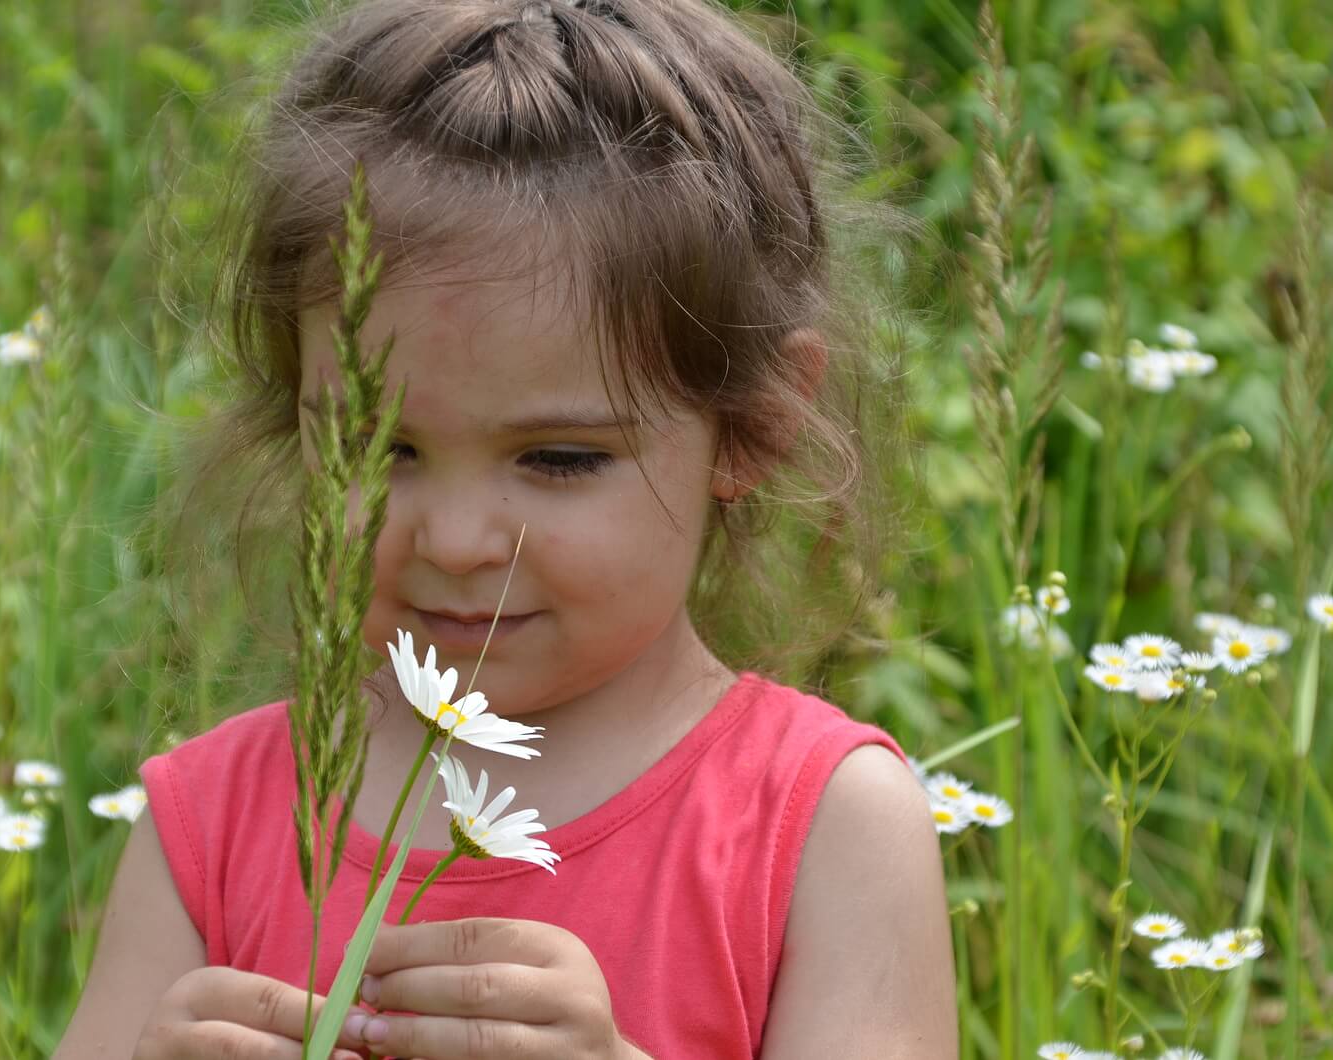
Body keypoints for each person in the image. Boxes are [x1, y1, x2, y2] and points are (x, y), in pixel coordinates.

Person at [55, 0, 956, 1055]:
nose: (456, 539)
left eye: (558, 459)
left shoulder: (821, 826)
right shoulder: (213, 818)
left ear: (754, 425)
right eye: (380, 447)